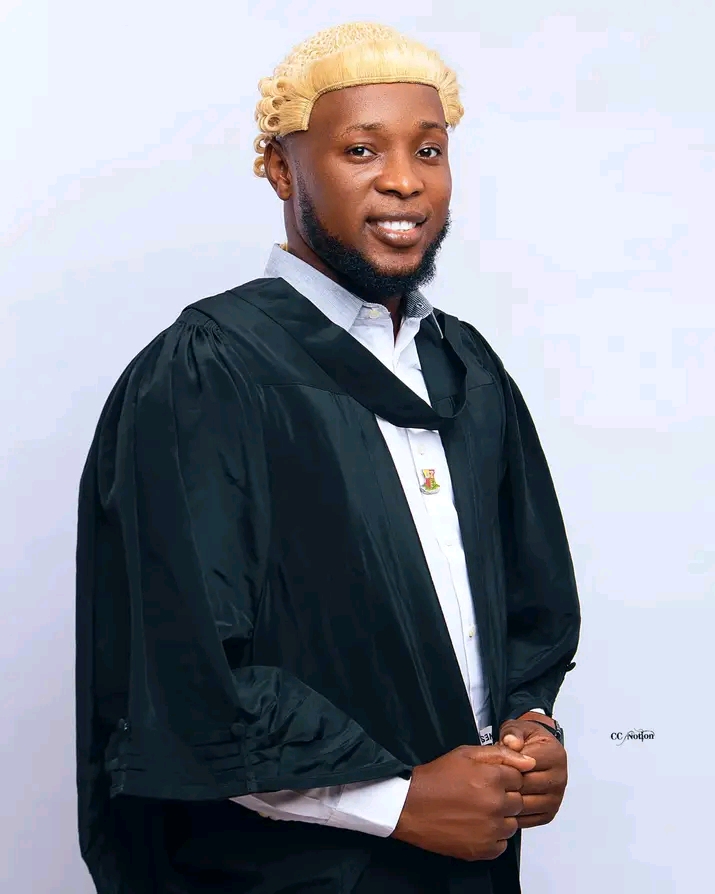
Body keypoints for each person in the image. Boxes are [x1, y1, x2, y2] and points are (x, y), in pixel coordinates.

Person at [75, 21, 580, 894]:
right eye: (359, 149)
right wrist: (397, 803)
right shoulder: (211, 370)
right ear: (281, 168)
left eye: (429, 150)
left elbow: (528, 598)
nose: (403, 180)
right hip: (289, 875)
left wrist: (529, 726)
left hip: (470, 864)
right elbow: (183, 669)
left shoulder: (464, 368)